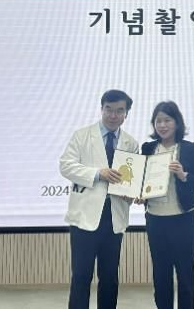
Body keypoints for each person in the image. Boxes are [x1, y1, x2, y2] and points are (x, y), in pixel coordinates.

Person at [60, 90, 139, 309]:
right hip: (85, 218)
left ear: (126, 113)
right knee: (81, 276)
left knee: (110, 277)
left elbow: (131, 180)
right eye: (109, 109)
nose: (113, 115)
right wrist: (97, 173)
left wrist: (133, 192)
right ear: (101, 109)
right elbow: (66, 166)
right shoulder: (82, 135)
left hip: (113, 219)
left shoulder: (131, 143)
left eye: (119, 111)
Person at [140, 101, 194, 309]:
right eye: (158, 121)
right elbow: (140, 179)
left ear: (177, 122)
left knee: (185, 273)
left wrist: (183, 175)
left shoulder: (189, 148)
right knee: (161, 274)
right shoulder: (148, 148)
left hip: (183, 219)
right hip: (155, 219)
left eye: (167, 120)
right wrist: (139, 193)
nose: (162, 125)